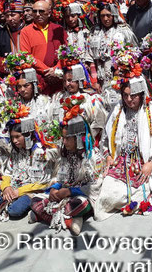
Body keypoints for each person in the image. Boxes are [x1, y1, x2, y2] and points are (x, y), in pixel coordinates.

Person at [96, 73, 152, 220]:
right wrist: (109, 156)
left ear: (142, 93)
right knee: (107, 195)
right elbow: (105, 140)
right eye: (125, 95)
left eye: (133, 95)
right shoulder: (117, 110)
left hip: (143, 163)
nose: (129, 100)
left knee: (142, 193)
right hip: (120, 161)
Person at [30, 98, 105, 235]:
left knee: (80, 204)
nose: (63, 142)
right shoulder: (65, 154)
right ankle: (70, 220)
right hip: (63, 194)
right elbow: (60, 178)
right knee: (35, 200)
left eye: (67, 138)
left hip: (80, 196)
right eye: (63, 138)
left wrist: (70, 192)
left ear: (79, 138)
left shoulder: (93, 156)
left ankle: (45, 215)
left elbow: (95, 187)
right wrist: (54, 189)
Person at [0, 101, 56, 221]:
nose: (15, 141)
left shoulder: (39, 152)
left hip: (31, 190)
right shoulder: (15, 150)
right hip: (15, 186)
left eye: (18, 137)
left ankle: (24, 203)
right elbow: (8, 171)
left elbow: (43, 182)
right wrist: (6, 187)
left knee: (15, 210)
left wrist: (20, 191)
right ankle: (10, 198)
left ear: (28, 135)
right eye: (12, 137)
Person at [88, 0, 138, 90]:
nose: (105, 19)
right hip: (99, 79)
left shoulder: (124, 31)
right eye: (102, 16)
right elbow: (90, 57)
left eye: (108, 15)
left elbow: (134, 53)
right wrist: (94, 80)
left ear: (114, 15)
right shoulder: (94, 32)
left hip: (119, 78)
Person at [19, 0, 67, 94]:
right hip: (38, 77)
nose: (37, 14)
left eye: (41, 11)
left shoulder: (58, 29)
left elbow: (66, 53)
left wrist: (55, 70)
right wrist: (46, 71)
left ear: (49, 13)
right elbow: (27, 56)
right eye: (35, 11)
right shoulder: (26, 31)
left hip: (58, 76)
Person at [0, 0, 25, 77]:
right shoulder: (0, 34)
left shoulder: (29, 30)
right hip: (9, 75)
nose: (9, 18)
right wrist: (9, 66)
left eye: (13, 15)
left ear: (21, 15)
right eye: (7, 16)